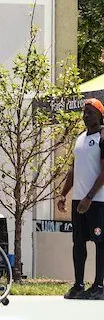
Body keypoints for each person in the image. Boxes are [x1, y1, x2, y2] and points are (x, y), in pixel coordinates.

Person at [55, 98, 104, 299]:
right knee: (78, 243)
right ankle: (78, 285)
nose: (85, 116)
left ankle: (99, 286)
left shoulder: (103, 135)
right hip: (78, 200)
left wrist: (89, 197)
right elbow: (73, 169)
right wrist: (63, 193)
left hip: (98, 200)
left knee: (100, 242)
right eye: (84, 112)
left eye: (90, 112)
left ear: (100, 115)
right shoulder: (80, 138)